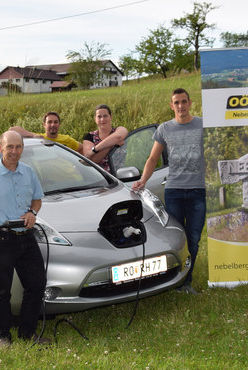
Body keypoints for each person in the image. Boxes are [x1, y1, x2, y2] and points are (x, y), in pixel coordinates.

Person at [0, 131, 48, 348]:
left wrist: (32, 212)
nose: (14, 152)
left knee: (37, 284)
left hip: (27, 237)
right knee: (2, 289)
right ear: (0, 147)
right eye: (9, 147)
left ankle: (27, 332)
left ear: (23, 148)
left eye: (18, 147)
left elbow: (37, 200)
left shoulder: (28, 172)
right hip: (2, 238)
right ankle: (2, 336)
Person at [132, 88, 205, 295]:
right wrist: (143, 180)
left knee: (193, 237)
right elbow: (153, 159)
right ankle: (175, 281)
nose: (181, 106)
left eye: (184, 101)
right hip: (173, 191)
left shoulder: (202, 125)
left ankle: (186, 282)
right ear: (171, 106)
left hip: (198, 191)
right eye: (176, 102)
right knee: (176, 238)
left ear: (190, 103)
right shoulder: (165, 129)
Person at [82, 104, 128, 171]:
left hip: (119, 176)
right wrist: (111, 144)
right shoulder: (89, 137)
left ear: (111, 117)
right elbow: (92, 160)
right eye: (99, 117)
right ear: (95, 119)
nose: (102, 119)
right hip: (99, 178)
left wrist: (94, 150)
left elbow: (118, 137)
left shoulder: (120, 129)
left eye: (105, 116)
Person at [10, 111, 83, 153]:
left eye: (55, 122)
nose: (53, 125)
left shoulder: (67, 139)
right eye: (49, 122)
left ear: (59, 124)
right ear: (44, 124)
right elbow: (12, 130)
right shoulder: (38, 139)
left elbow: (81, 148)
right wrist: (33, 135)